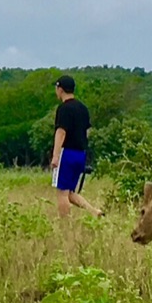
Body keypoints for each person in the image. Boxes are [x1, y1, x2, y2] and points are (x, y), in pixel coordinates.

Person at [49, 74, 103, 217]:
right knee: (70, 193)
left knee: (61, 193)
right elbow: (88, 131)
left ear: (60, 89)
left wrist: (55, 156)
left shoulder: (64, 109)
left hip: (66, 153)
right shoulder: (83, 108)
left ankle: (66, 227)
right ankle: (95, 212)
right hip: (80, 154)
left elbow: (61, 132)